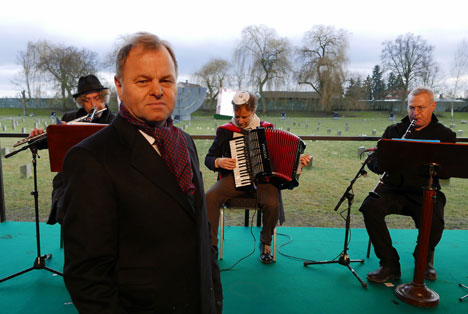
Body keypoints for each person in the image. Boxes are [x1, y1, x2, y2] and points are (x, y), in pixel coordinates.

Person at [60, 32, 222, 313]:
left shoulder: (183, 142)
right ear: (120, 86)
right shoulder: (90, 159)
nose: (158, 90)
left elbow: (199, 227)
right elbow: (88, 276)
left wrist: (213, 298)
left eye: (166, 80)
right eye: (143, 81)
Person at [360, 87, 456, 283]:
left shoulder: (445, 135)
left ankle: (423, 258)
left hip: (425, 191)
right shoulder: (394, 131)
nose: (416, 112)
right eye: (412, 107)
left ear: (433, 106)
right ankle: (389, 264)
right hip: (393, 189)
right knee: (370, 207)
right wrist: (377, 164)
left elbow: (448, 170)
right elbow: (377, 160)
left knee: (436, 221)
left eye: (421, 107)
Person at [204, 91, 310, 264]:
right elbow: (208, 159)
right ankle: (211, 247)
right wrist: (218, 161)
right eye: (237, 116)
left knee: (273, 203)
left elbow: (279, 158)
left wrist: (298, 163)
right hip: (234, 178)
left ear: (253, 111)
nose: (240, 121)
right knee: (210, 197)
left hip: (263, 180)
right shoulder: (225, 131)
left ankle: (265, 242)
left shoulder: (267, 128)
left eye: (244, 116)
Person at [27, 74, 116, 225]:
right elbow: (49, 143)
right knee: (73, 200)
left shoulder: (113, 122)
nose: (93, 104)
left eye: (96, 98)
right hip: (71, 179)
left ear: (103, 98)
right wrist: (36, 138)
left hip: (103, 179)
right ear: (81, 102)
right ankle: (75, 239)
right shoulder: (70, 118)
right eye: (87, 100)